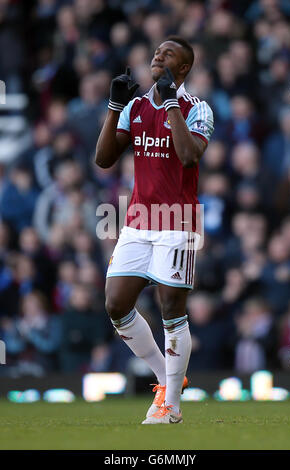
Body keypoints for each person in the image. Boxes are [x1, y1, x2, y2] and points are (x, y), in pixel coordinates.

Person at [95, 36, 214, 424]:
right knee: (116, 304)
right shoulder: (136, 106)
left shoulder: (198, 109)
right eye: (157, 51)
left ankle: (172, 405)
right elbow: (104, 158)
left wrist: (172, 104)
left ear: (183, 69)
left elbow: (188, 155)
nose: (158, 56)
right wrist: (114, 107)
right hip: (138, 222)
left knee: (170, 310)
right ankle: (167, 379)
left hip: (178, 222)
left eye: (169, 54)